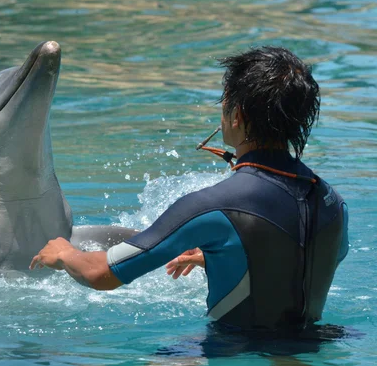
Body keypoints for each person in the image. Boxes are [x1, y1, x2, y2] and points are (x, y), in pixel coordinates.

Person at [30, 46, 349, 331]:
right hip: (317, 348)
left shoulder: (214, 204)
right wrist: (228, 257)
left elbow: (102, 273)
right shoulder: (333, 202)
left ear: (237, 115)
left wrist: (65, 253)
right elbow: (304, 260)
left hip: (234, 353)